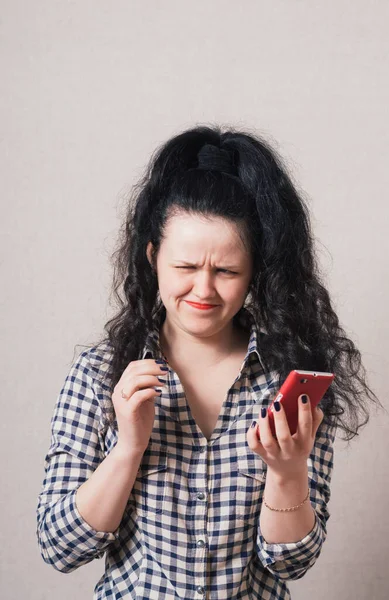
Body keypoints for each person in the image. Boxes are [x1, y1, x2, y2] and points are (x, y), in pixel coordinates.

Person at [36, 125, 380, 599]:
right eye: (185, 267)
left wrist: (287, 471)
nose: (203, 290)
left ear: (255, 271)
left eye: (226, 271)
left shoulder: (287, 383)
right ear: (153, 257)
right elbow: (59, 547)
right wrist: (129, 447)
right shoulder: (100, 375)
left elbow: (292, 561)